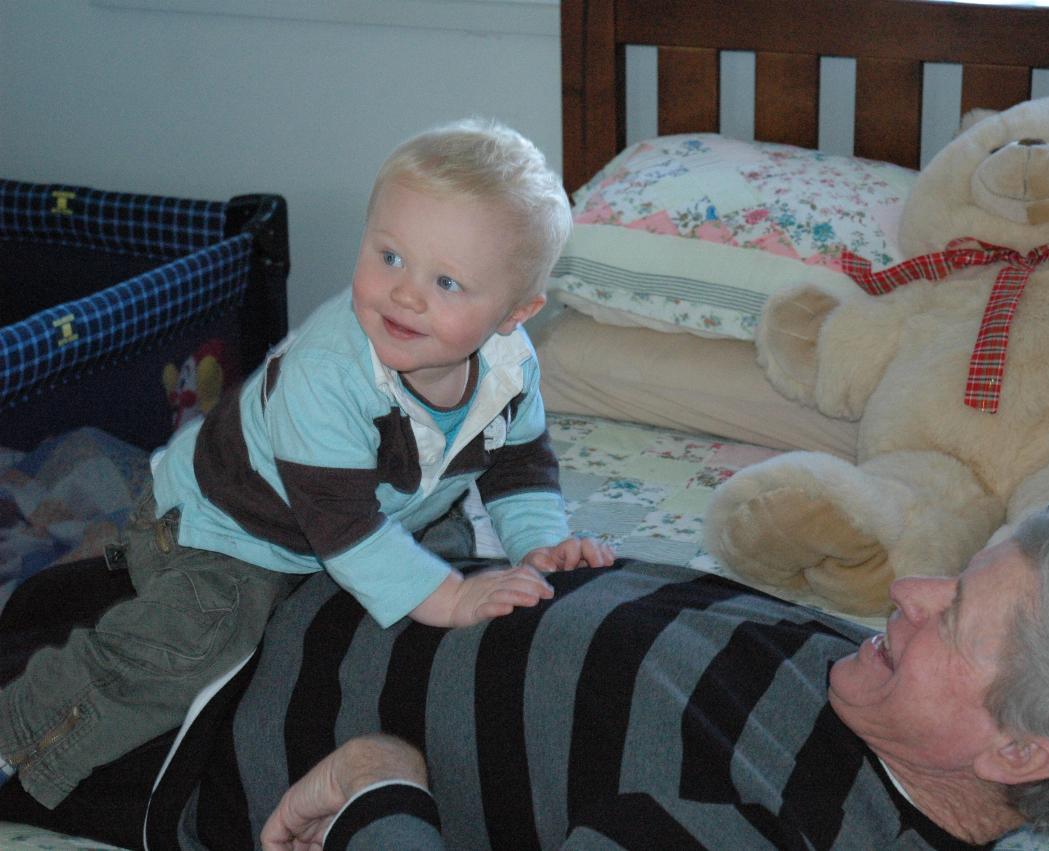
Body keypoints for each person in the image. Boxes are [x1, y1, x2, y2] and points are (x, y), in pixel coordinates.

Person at [0, 457, 1049, 850]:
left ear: (1014, 745)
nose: (906, 590)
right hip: (307, 563)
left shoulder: (780, 826)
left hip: (195, 716)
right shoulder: (919, 706)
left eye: (949, 617)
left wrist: (376, 776)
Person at [0, 117, 613, 811]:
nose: (406, 294)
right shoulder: (329, 372)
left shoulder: (510, 365)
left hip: (376, 518)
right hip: (233, 526)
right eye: (389, 257)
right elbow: (343, 526)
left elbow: (519, 462)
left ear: (515, 312)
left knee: (465, 593)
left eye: (447, 281)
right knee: (198, 643)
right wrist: (446, 596)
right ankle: (18, 729)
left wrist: (540, 545)